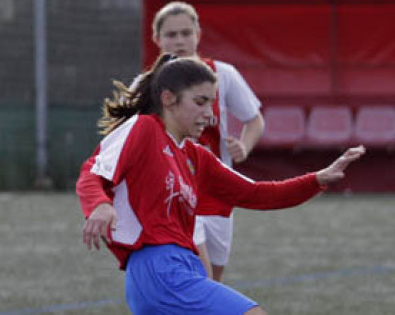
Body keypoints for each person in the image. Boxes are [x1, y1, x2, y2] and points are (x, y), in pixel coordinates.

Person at [77, 55, 365, 315]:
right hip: (159, 270)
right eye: (199, 102)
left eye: (211, 103)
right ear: (168, 98)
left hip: (184, 267)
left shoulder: (196, 156)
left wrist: (317, 179)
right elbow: (93, 171)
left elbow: (256, 193)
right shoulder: (145, 128)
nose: (209, 113)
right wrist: (99, 205)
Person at [93, 1, 266, 281]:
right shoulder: (148, 84)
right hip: (173, 192)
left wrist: (244, 146)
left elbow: (254, 120)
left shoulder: (223, 75)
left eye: (186, 33)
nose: (179, 41)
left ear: (198, 34)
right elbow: (122, 139)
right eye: (171, 35)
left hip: (217, 194)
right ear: (157, 39)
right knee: (199, 280)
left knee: (211, 283)